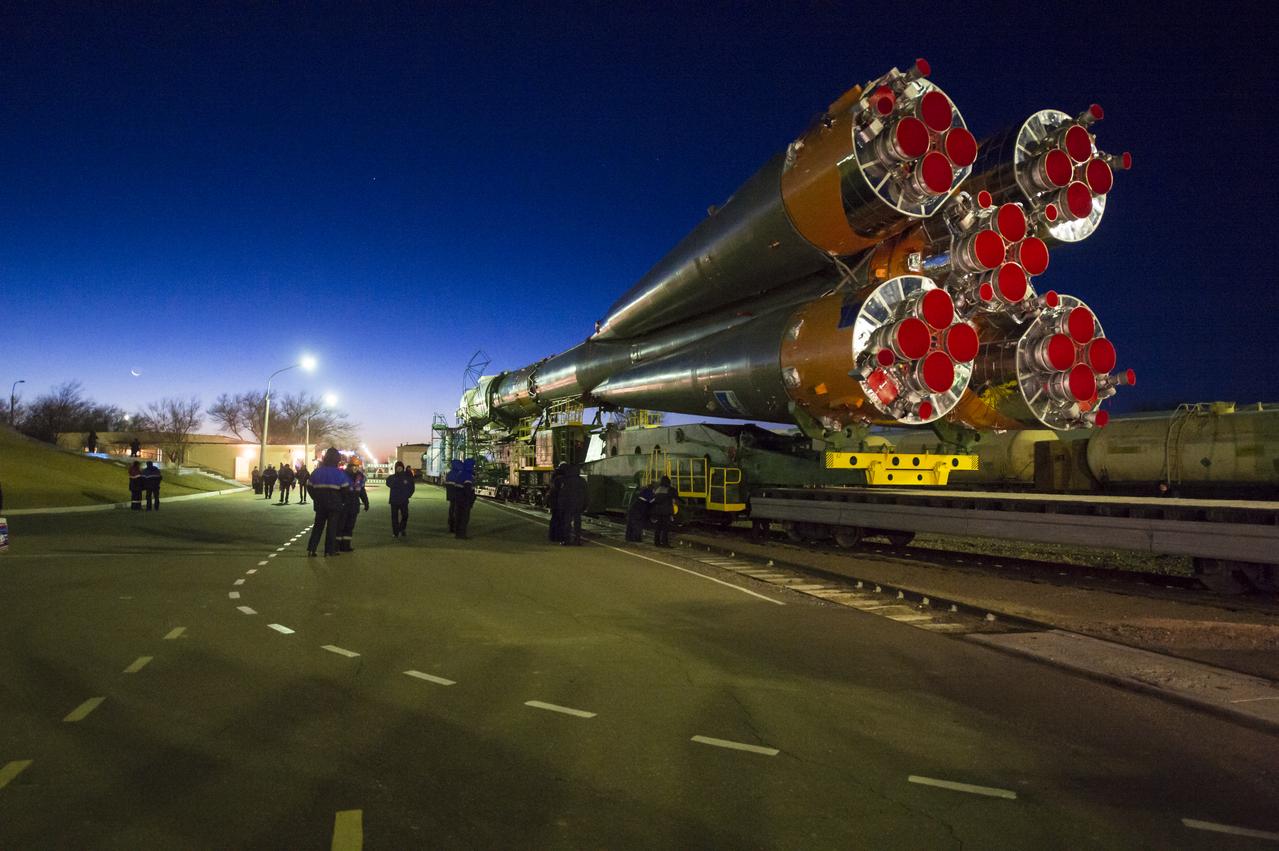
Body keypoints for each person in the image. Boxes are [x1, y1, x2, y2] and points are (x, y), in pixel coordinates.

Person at [306, 447, 350, 557]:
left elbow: (309, 486)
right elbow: (345, 490)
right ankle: (329, 551)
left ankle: (312, 549)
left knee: (318, 527)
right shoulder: (339, 474)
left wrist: (315, 498)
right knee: (332, 528)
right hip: (335, 504)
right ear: (337, 459)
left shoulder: (317, 472)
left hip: (320, 504)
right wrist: (342, 501)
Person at [337, 462, 369, 552]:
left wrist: (366, 503)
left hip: (354, 505)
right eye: (353, 467)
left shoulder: (359, 477)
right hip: (344, 505)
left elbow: (362, 491)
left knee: (350, 526)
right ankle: (336, 546)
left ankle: (346, 545)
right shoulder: (343, 476)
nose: (355, 469)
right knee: (341, 526)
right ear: (349, 468)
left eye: (356, 467)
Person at [556, 463, 587, 546]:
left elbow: (563, 494)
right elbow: (586, 494)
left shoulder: (565, 480)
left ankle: (567, 540)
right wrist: (585, 505)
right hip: (578, 505)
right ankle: (577, 540)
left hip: (568, 505)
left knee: (567, 523)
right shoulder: (582, 481)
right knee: (577, 523)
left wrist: (560, 505)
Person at [386, 461, 416, 537]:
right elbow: (388, 483)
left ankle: (402, 528)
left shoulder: (407, 477)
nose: (399, 468)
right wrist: (397, 482)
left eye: (400, 467)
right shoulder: (392, 477)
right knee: (394, 518)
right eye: (397, 467)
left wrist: (408, 495)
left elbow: (412, 487)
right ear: (395, 468)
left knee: (405, 515)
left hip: (404, 500)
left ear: (402, 468)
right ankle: (395, 532)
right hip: (394, 500)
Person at [454, 459, 477, 539]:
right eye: (473, 466)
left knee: (458, 516)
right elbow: (468, 490)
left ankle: (457, 534)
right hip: (465, 500)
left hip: (458, 498)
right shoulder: (468, 476)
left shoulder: (460, 474)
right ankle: (462, 534)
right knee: (464, 517)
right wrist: (471, 500)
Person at [650, 475, 675, 547]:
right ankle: (665, 543)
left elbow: (654, 500)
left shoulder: (657, 489)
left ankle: (656, 542)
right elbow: (673, 500)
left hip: (657, 511)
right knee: (665, 528)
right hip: (666, 511)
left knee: (657, 527)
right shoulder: (669, 490)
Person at [547, 462, 566, 542]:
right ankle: (559, 536)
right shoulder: (563, 478)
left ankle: (552, 536)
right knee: (561, 520)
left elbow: (552, 490)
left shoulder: (554, 477)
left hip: (554, 501)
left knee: (554, 519)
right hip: (560, 502)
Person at [444, 459, 463, 532]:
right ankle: (456, 526)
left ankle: (451, 525)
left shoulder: (449, 474)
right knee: (458, 511)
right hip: (458, 496)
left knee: (451, 510)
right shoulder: (459, 474)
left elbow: (447, 485)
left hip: (451, 496)